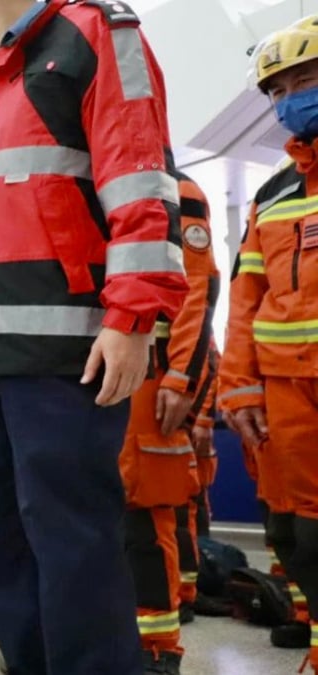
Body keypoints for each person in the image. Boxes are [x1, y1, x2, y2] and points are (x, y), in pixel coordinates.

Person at [0, 2, 189, 675]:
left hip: (62, 355)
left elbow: (139, 177)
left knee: (72, 550)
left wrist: (133, 317)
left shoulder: (95, 32)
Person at [222, 17, 318, 672]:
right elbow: (244, 301)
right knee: (294, 532)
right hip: (284, 394)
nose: (291, 96)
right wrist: (239, 384)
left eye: (305, 79)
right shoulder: (270, 194)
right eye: (279, 87)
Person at [112, 172, 218, 674]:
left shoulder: (178, 190)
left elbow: (198, 290)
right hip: (83, 370)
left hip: (151, 380)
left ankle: (158, 649)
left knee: (146, 519)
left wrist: (181, 377)